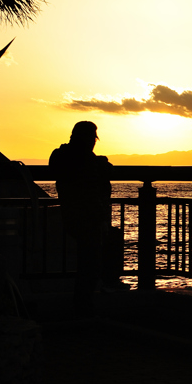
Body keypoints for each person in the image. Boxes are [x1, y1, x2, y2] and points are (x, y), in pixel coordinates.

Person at [49, 121, 115, 310]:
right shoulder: (89, 161)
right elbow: (101, 175)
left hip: (71, 215)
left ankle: (83, 303)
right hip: (89, 218)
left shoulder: (60, 156)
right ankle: (83, 305)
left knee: (88, 263)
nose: (94, 143)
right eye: (93, 139)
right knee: (91, 265)